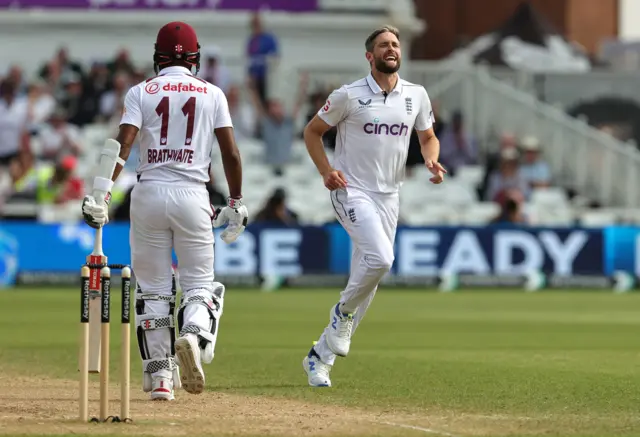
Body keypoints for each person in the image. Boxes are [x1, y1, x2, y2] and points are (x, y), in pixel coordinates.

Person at [81, 22, 248, 401]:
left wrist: (101, 195)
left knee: (154, 290)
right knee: (200, 286)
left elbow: (123, 144)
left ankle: (159, 378)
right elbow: (231, 154)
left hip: (149, 193)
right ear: (195, 56)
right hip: (192, 194)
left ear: (158, 56)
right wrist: (236, 202)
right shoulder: (213, 93)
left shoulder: (142, 91)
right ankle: (191, 333)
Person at [301, 25, 446, 387]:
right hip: (351, 190)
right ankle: (341, 313)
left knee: (367, 279)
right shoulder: (348, 96)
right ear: (370, 56)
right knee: (381, 260)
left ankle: (320, 357)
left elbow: (428, 136)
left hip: (389, 195)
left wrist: (431, 160)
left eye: (395, 44)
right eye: (384, 45)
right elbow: (312, 132)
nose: (392, 49)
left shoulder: (417, 95)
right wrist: (326, 171)